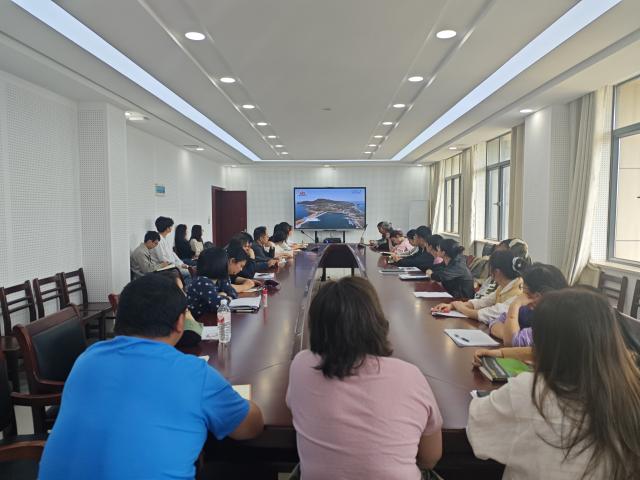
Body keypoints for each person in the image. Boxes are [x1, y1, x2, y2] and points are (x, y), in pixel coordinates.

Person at [38, 274, 264, 480]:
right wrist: (234, 399)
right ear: (180, 322)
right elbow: (250, 427)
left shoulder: (87, 359)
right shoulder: (194, 374)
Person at [467, 288, 640, 480]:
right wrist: (501, 353)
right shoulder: (631, 392)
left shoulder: (530, 391)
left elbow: (476, 429)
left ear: (543, 341)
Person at [287, 277, 443, 480]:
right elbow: (430, 458)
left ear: (315, 326)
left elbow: (294, 408)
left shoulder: (300, 365)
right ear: (376, 321)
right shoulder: (410, 375)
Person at [488, 262, 568, 346]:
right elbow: (494, 322)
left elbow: (511, 341)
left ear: (537, 296)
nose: (522, 295)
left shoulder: (556, 322)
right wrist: (508, 334)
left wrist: (515, 305)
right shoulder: (527, 310)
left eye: (525, 292)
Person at [432, 250, 523, 324]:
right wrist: (452, 306)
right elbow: (483, 302)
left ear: (496, 272)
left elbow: (487, 314)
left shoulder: (519, 292)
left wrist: (460, 307)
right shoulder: (505, 286)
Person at [187, 247, 238, 320]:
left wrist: (223, 296)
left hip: (210, 316)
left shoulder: (220, 280)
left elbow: (234, 293)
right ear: (218, 265)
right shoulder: (202, 281)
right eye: (226, 263)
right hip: (199, 321)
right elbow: (219, 305)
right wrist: (225, 296)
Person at [151, 216, 191, 284]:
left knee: (190, 269)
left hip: (173, 265)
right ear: (167, 228)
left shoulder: (164, 239)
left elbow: (172, 254)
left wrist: (181, 263)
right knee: (189, 273)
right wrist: (178, 265)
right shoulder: (158, 241)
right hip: (166, 268)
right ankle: (183, 290)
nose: (172, 228)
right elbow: (163, 259)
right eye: (171, 226)